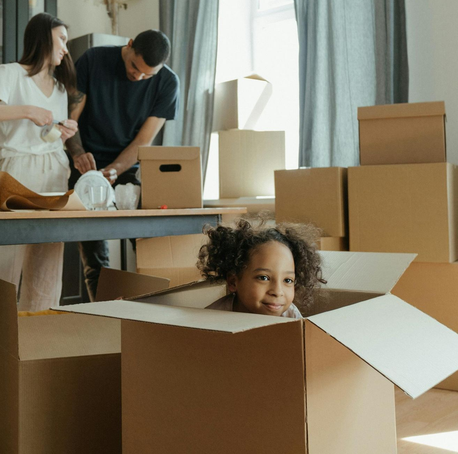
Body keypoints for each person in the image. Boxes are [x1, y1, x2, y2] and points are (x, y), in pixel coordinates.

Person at [0, 13, 79, 397]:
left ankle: (33, 362)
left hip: (54, 175)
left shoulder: (61, 87)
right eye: (61, 39)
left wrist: (60, 132)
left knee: (46, 277)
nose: (65, 47)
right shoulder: (10, 73)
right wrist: (27, 110)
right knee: (3, 275)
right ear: (43, 38)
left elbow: (45, 136)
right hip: (16, 174)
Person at [66, 29, 179, 300]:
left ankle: (155, 319)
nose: (138, 77)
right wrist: (78, 154)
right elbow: (69, 118)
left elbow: (144, 141)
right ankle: (106, 327)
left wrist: (115, 170)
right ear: (129, 46)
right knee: (95, 262)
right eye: (134, 67)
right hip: (86, 171)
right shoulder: (93, 60)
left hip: (127, 170)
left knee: (149, 247)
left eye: (146, 75)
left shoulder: (167, 82)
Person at [197, 220, 325, 317]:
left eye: (288, 280)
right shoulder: (212, 319)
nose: (277, 291)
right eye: (263, 278)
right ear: (233, 282)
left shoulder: (290, 316)